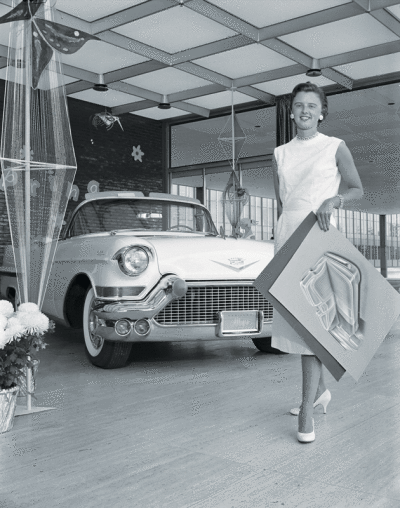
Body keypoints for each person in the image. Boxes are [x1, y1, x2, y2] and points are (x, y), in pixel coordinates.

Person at [272, 82, 363, 443]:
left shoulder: (334, 147)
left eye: (312, 105)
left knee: (314, 326)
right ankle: (320, 392)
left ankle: (307, 409)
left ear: (321, 111)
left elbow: (356, 187)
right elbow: (283, 202)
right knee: (299, 324)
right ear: (291, 112)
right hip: (287, 234)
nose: (305, 110)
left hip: (321, 232)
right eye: (299, 105)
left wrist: (333, 201)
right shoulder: (279, 153)